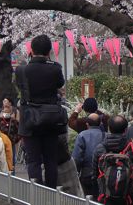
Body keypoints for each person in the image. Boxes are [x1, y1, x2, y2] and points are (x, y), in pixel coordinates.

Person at [16, 34, 67, 188]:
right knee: (51, 159)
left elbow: (21, 88)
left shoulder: (21, 70)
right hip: (51, 118)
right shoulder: (55, 68)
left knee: (33, 160)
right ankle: (51, 191)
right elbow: (60, 84)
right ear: (49, 51)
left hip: (29, 118)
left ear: (31, 50)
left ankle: (37, 194)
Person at [74, 112, 106, 197]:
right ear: (100, 123)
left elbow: (77, 158)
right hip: (104, 173)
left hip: (86, 173)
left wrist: (76, 172)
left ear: (87, 124)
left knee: (88, 198)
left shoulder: (82, 135)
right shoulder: (106, 135)